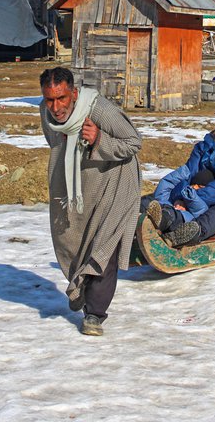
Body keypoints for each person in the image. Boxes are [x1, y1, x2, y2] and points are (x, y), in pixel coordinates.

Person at [40, 67, 141, 337]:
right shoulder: (45, 112)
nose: (56, 107)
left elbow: (133, 143)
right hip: (81, 186)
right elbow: (56, 144)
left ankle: (95, 315)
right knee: (72, 241)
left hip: (115, 183)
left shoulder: (100, 110)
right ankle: (79, 287)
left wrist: (99, 139)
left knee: (102, 249)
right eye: (50, 99)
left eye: (62, 98)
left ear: (73, 93)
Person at [143, 101, 215, 247]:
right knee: (154, 198)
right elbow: (188, 174)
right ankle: (164, 219)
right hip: (201, 200)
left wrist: (189, 198)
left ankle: (188, 235)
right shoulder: (204, 147)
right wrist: (181, 195)